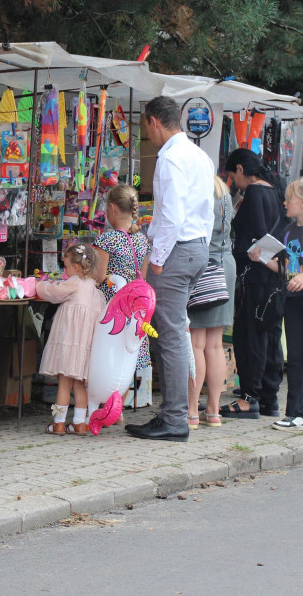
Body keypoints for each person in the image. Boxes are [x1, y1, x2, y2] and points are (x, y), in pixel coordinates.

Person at [125, 96, 214, 442]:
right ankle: (173, 414)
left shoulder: (170, 158)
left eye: (146, 128)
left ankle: (175, 418)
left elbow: (172, 216)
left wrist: (158, 259)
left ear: (153, 122)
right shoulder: (198, 155)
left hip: (177, 251)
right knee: (173, 332)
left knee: (171, 335)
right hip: (196, 248)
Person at [249, 176, 303, 431]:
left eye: (289, 199)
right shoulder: (288, 231)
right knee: (295, 358)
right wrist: (262, 259)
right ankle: (295, 413)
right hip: (293, 300)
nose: (284, 203)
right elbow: (286, 268)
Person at [222, 148, 286, 420]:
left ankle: (250, 398)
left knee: (249, 336)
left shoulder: (255, 194)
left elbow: (256, 233)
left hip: (255, 274)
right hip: (274, 275)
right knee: (270, 335)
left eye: (231, 175)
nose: (232, 181)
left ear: (239, 169)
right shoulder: (275, 190)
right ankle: (269, 397)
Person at [37, 242, 106, 435]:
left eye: (65, 266)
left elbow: (52, 292)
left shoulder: (73, 283)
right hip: (85, 347)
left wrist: (38, 285)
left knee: (64, 383)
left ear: (76, 267)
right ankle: (79, 423)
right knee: (80, 384)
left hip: (68, 343)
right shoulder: (96, 292)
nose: (64, 270)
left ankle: (58, 422)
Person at [92, 184, 152, 406]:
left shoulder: (107, 240)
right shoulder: (142, 240)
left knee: (107, 355)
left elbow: (98, 277)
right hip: (134, 308)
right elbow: (142, 278)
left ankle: (102, 404)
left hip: (111, 308)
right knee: (126, 357)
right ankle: (119, 406)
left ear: (112, 208)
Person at [187, 175, 235, 429]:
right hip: (226, 265)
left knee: (197, 343)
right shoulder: (224, 193)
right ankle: (214, 410)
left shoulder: (201, 193)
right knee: (215, 345)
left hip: (205, 267)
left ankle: (192, 411)